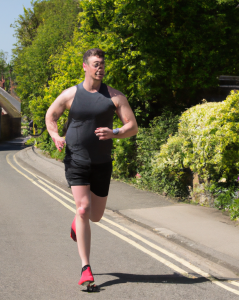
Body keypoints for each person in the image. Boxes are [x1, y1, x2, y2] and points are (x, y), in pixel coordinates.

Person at [45, 48, 138, 289]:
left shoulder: (115, 97)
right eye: (96, 64)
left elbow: (132, 126)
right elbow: (51, 116)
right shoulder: (71, 94)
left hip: (102, 163)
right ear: (85, 66)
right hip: (76, 159)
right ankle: (86, 268)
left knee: (94, 216)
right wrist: (55, 136)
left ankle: (78, 223)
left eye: (103, 64)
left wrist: (114, 132)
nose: (101, 68)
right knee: (83, 208)